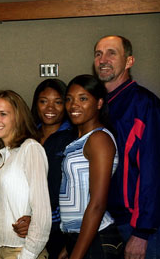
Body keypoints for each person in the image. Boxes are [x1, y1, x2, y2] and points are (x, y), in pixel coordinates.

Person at [94, 35, 160, 259]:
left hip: (137, 227)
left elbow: (152, 170)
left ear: (129, 61)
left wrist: (142, 232)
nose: (103, 59)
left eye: (112, 53)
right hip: (105, 223)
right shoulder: (97, 106)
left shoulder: (143, 104)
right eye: (98, 54)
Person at [59, 74, 123, 258]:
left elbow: (97, 204)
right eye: (69, 99)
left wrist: (76, 254)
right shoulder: (79, 141)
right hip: (81, 238)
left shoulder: (99, 139)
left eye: (83, 98)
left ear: (99, 103)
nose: (73, 105)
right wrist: (70, 245)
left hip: (99, 239)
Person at [0, 90, 51, 259]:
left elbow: (42, 213)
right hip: (0, 249)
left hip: (22, 251)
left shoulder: (31, 148)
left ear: (18, 117)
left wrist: (27, 255)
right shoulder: (5, 155)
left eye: (3, 114)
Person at [31, 79, 76, 259]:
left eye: (57, 102)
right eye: (44, 101)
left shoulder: (74, 138)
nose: (50, 108)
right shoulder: (28, 136)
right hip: (30, 225)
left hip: (61, 229)